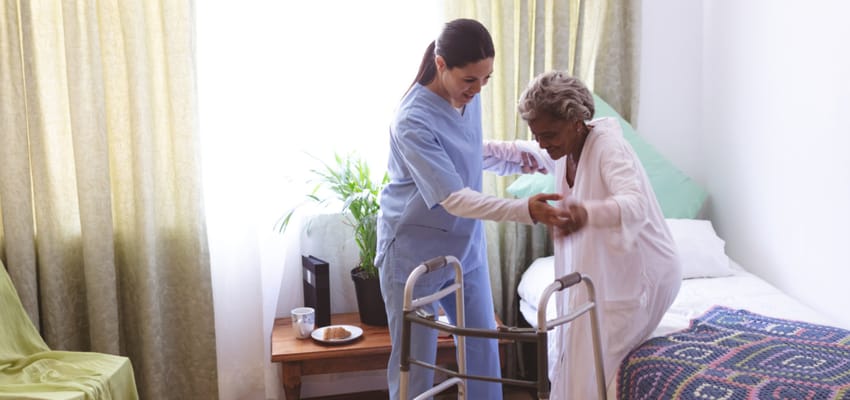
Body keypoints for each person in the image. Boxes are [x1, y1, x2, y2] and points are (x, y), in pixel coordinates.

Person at [375, 19, 570, 400]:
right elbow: (453, 196)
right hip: (415, 253)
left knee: (483, 350)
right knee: (415, 365)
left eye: (486, 79)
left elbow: (467, 150)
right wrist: (524, 210)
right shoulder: (411, 119)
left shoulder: (467, 95)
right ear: (441, 64)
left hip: (465, 250)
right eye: (470, 80)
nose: (478, 89)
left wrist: (520, 155)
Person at [482, 71, 683, 399]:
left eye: (549, 134)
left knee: (591, 362)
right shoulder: (566, 147)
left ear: (577, 121)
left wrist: (586, 212)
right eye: (538, 136)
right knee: (573, 348)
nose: (544, 144)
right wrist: (465, 149)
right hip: (613, 270)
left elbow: (635, 205)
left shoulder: (609, 148)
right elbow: (520, 153)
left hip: (646, 275)